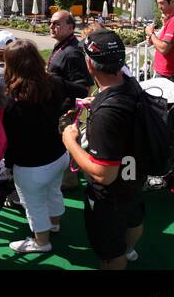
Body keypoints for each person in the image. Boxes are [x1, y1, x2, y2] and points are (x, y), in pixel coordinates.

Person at [60, 30, 145, 269]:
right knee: (133, 218)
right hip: (135, 175)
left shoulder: (108, 112)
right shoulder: (130, 83)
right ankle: (129, 250)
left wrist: (70, 141)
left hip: (111, 194)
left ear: (89, 63)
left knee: (110, 252)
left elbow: (103, 174)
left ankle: (121, 254)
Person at [0, 40, 87, 254]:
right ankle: (54, 223)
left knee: (34, 204)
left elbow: (10, 141)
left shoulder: (12, 100)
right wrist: (66, 109)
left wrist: (8, 166)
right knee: (53, 192)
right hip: (58, 155)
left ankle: (41, 242)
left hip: (31, 166)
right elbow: (81, 90)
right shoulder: (54, 81)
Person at [47, 10, 92, 190]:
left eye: (56, 23)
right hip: (59, 109)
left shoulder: (72, 52)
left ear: (71, 27)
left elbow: (83, 87)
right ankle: (70, 176)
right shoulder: (62, 46)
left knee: (67, 146)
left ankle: (68, 182)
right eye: (51, 22)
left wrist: (73, 108)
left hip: (65, 111)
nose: (51, 26)